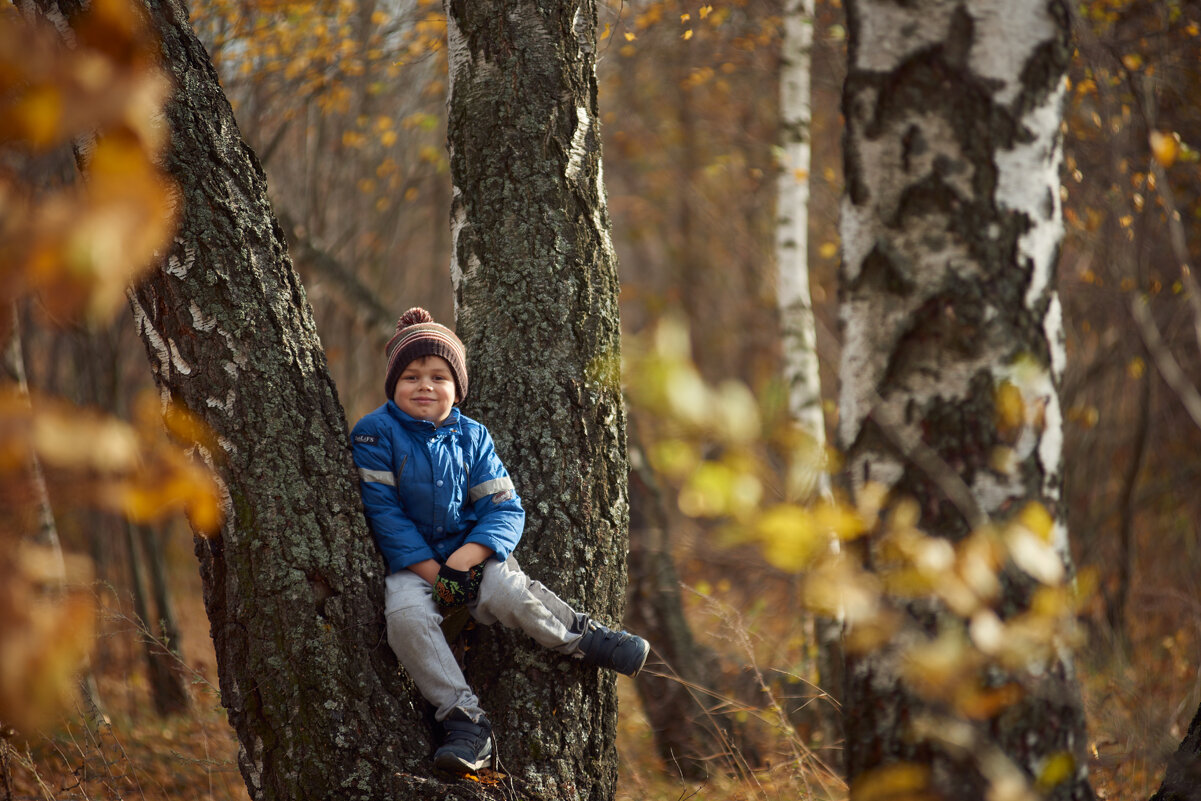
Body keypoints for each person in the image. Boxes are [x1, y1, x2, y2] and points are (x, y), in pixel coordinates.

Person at [351, 307, 650, 775]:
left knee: (509, 591)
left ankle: (579, 638)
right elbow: (384, 515)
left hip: (470, 558)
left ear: (458, 387)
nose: (424, 386)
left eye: (438, 376)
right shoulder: (375, 432)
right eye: (410, 376)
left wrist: (468, 559)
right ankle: (465, 720)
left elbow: (505, 509)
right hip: (411, 567)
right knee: (406, 620)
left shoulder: (472, 437)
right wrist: (436, 574)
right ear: (393, 385)